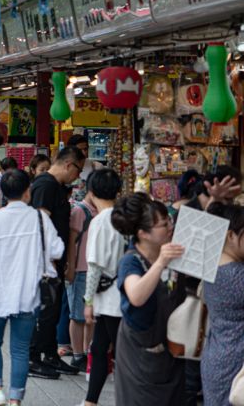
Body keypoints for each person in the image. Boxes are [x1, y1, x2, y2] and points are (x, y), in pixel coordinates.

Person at [0, 169, 64, 406]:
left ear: (2, 193)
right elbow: (57, 250)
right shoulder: (40, 219)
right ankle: (15, 400)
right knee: (20, 348)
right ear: (27, 191)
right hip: (28, 292)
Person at [111, 193, 185, 405]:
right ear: (143, 233)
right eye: (163, 225)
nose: (170, 226)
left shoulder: (172, 251)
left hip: (170, 354)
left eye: (169, 220)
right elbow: (136, 296)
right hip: (140, 357)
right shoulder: (131, 260)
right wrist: (161, 262)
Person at [29, 146, 85, 377]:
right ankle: (33, 358)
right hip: (46, 262)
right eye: (78, 170)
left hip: (57, 260)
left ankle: (50, 354)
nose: (78, 175)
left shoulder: (58, 187)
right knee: (44, 309)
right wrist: (48, 259)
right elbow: (40, 224)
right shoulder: (45, 185)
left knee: (52, 310)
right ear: (69, 165)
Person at [82, 169, 127, 406]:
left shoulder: (101, 221)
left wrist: (87, 301)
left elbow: (95, 265)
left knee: (119, 353)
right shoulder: (123, 217)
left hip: (109, 298)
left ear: (91, 192)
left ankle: (128, 398)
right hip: (121, 292)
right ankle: (91, 400)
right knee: (100, 347)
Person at [201, 202, 244, 406]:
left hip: (216, 355)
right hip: (236, 364)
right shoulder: (237, 276)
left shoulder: (210, 265)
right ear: (230, 236)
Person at [67, 167, 100, 373]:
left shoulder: (99, 211)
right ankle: (77, 353)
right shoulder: (80, 210)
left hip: (92, 269)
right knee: (77, 315)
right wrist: (70, 268)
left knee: (89, 316)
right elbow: (72, 241)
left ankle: (88, 351)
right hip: (79, 269)